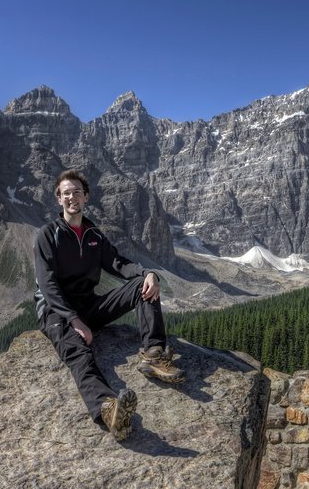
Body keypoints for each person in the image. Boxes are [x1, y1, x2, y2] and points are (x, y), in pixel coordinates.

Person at [33, 169, 184, 441]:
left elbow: (117, 264)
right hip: (56, 312)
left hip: (89, 306)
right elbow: (47, 285)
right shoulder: (48, 234)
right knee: (79, 353)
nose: (71, 197)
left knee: (142, 287)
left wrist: (147, 273)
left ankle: (154, 354)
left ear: (86, 196)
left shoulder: (94, 235)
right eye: (66, 193)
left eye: (77, 192)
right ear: (58, 199)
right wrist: (75, 321)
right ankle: (108, 408)